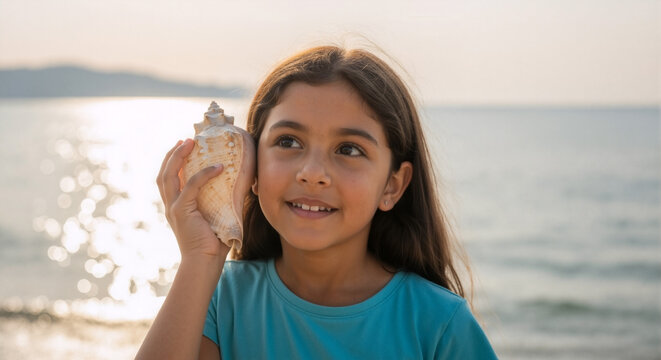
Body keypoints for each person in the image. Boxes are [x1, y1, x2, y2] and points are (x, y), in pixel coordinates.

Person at [137, 45, 498, 359]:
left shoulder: (437, 324)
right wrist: (200, 259)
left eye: (349, 149)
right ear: (252, 169)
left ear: (392, 185)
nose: (312, 173)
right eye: (289, 142)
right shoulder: (217, 300)